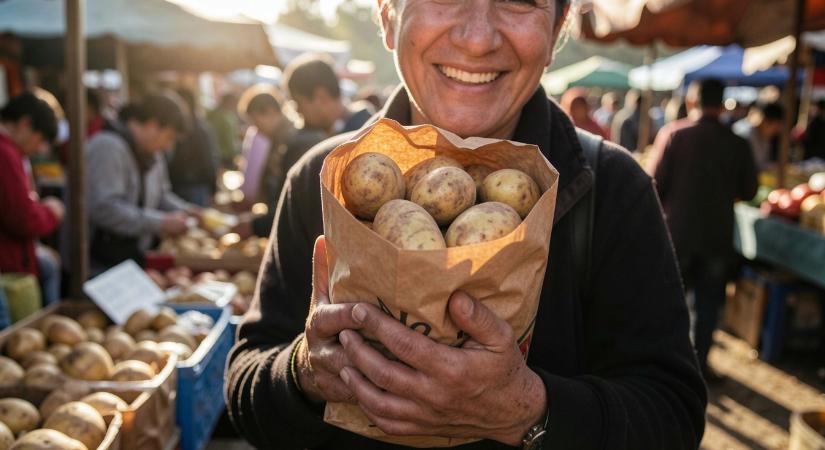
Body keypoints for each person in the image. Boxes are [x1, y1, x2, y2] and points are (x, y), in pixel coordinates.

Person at [226, 1, 706, 449]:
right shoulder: (322, 181)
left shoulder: (614, 189)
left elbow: (673, 417)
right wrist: (305, 373)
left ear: (558, 28)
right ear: (389, 16)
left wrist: (527, 411)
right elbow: (245, 386)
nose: (478, 39)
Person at [650, 78, 758, 382]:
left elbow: (654, 184)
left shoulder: (674, 134)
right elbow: (749, 190)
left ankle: (660, 365)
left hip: (678, 234)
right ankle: (699, 366)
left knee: (670, 303)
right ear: (722, 104)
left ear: (692, 101)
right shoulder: (737, 142)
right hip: (716, 236)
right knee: (709, 304)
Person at [86, 92, 197, 273]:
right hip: (99, 264)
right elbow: (104, 209)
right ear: (153, 125)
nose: (168, 146)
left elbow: (161, 195)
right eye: (169, 137)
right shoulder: (107, 148)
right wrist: (161, 223)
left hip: (132, 257)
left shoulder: (153, 154)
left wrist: (185, 210)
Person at [0, 92, 64, 303]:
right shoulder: (5, 153)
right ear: (25, 124)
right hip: (8, 267)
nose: (40, 148)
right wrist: (51, 212)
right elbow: (22, 218)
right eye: (41, 139)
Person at [283, 53, 374, 140]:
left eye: (298, 103)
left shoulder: (363, 131)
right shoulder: (358, 126)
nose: (297, 110)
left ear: (321, 97)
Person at [237, 84, 290, 205]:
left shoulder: (289, 141)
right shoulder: (273, 139)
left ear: (272, 113)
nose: (255, 127)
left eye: (255, 121)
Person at [167, 87, 219, 207]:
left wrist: (213, 188)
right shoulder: (200, 128)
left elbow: (208, 161)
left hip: (194, 187)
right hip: (180, 187)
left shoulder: (199, 129)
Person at [733, 102, 784, 171]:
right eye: (775, 128)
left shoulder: (765, 139)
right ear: (766, 121)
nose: (776, 132)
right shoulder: (745, 135)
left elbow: (761, 164)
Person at [207, 93, 241, 168]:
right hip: (224, 157)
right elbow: (229, 143)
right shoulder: (227, 118)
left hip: (213, 155)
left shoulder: (213, 114)